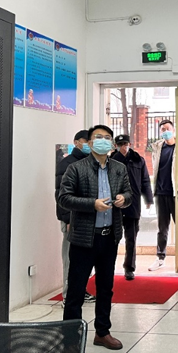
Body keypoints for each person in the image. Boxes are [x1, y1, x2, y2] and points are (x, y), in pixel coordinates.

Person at [58, 125, 133, 351]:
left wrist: (123, 199)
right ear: (90, 143)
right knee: (76, 290)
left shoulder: (119, 168)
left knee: (105, 288)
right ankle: (70, 339)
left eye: (107, 137)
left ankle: (102, 332)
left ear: (112, 144)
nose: (103, 140)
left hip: (109, 237)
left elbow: (129, 193)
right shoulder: (76, 168)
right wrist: (92, 204)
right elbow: (64, 198)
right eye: (98, 137)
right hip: (83, 238)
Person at [54, 130, 96, 306]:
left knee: (84, 259)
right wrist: (67, 219)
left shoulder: (90, 162)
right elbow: (61, 194)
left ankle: (80, 290)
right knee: (70, 258)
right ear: (76, 142)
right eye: (85, 141)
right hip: (72, 219)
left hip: (87, 219)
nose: (88, 144)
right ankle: (67, 296)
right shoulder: (67, 164)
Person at [112, 134, 154, 281]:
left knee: (131, 238)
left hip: (133, 204)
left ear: (129, 144)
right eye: (120, 144)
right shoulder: (111, 161)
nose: (123, 147)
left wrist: (148, 198)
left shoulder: (138, 160)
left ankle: (129, 268)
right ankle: (108, 266)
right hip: (115, 205)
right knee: (112, 239)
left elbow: (145, 180)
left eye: (125, 144)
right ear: (116, 146)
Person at [149, 119, 177, 271]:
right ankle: (160, 258)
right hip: (160, 193)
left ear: (173, 130)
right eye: (162, 129)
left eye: (167, 128)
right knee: (162, 228)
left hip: (175, 194)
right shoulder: (158, 147)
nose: (165, 131)